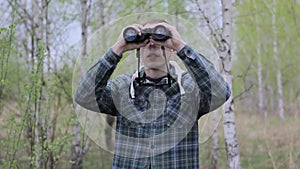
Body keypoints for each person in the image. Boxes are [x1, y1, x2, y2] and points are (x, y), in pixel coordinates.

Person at [74, 19, 230, 169]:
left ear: (172, 49)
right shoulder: (122, 88)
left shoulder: (190, 89)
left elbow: (221, 93)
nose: (152, 44)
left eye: (159, 37)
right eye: (145, 39)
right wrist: (118, 47)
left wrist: (180, 45)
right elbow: (84, 95)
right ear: (138, 49)